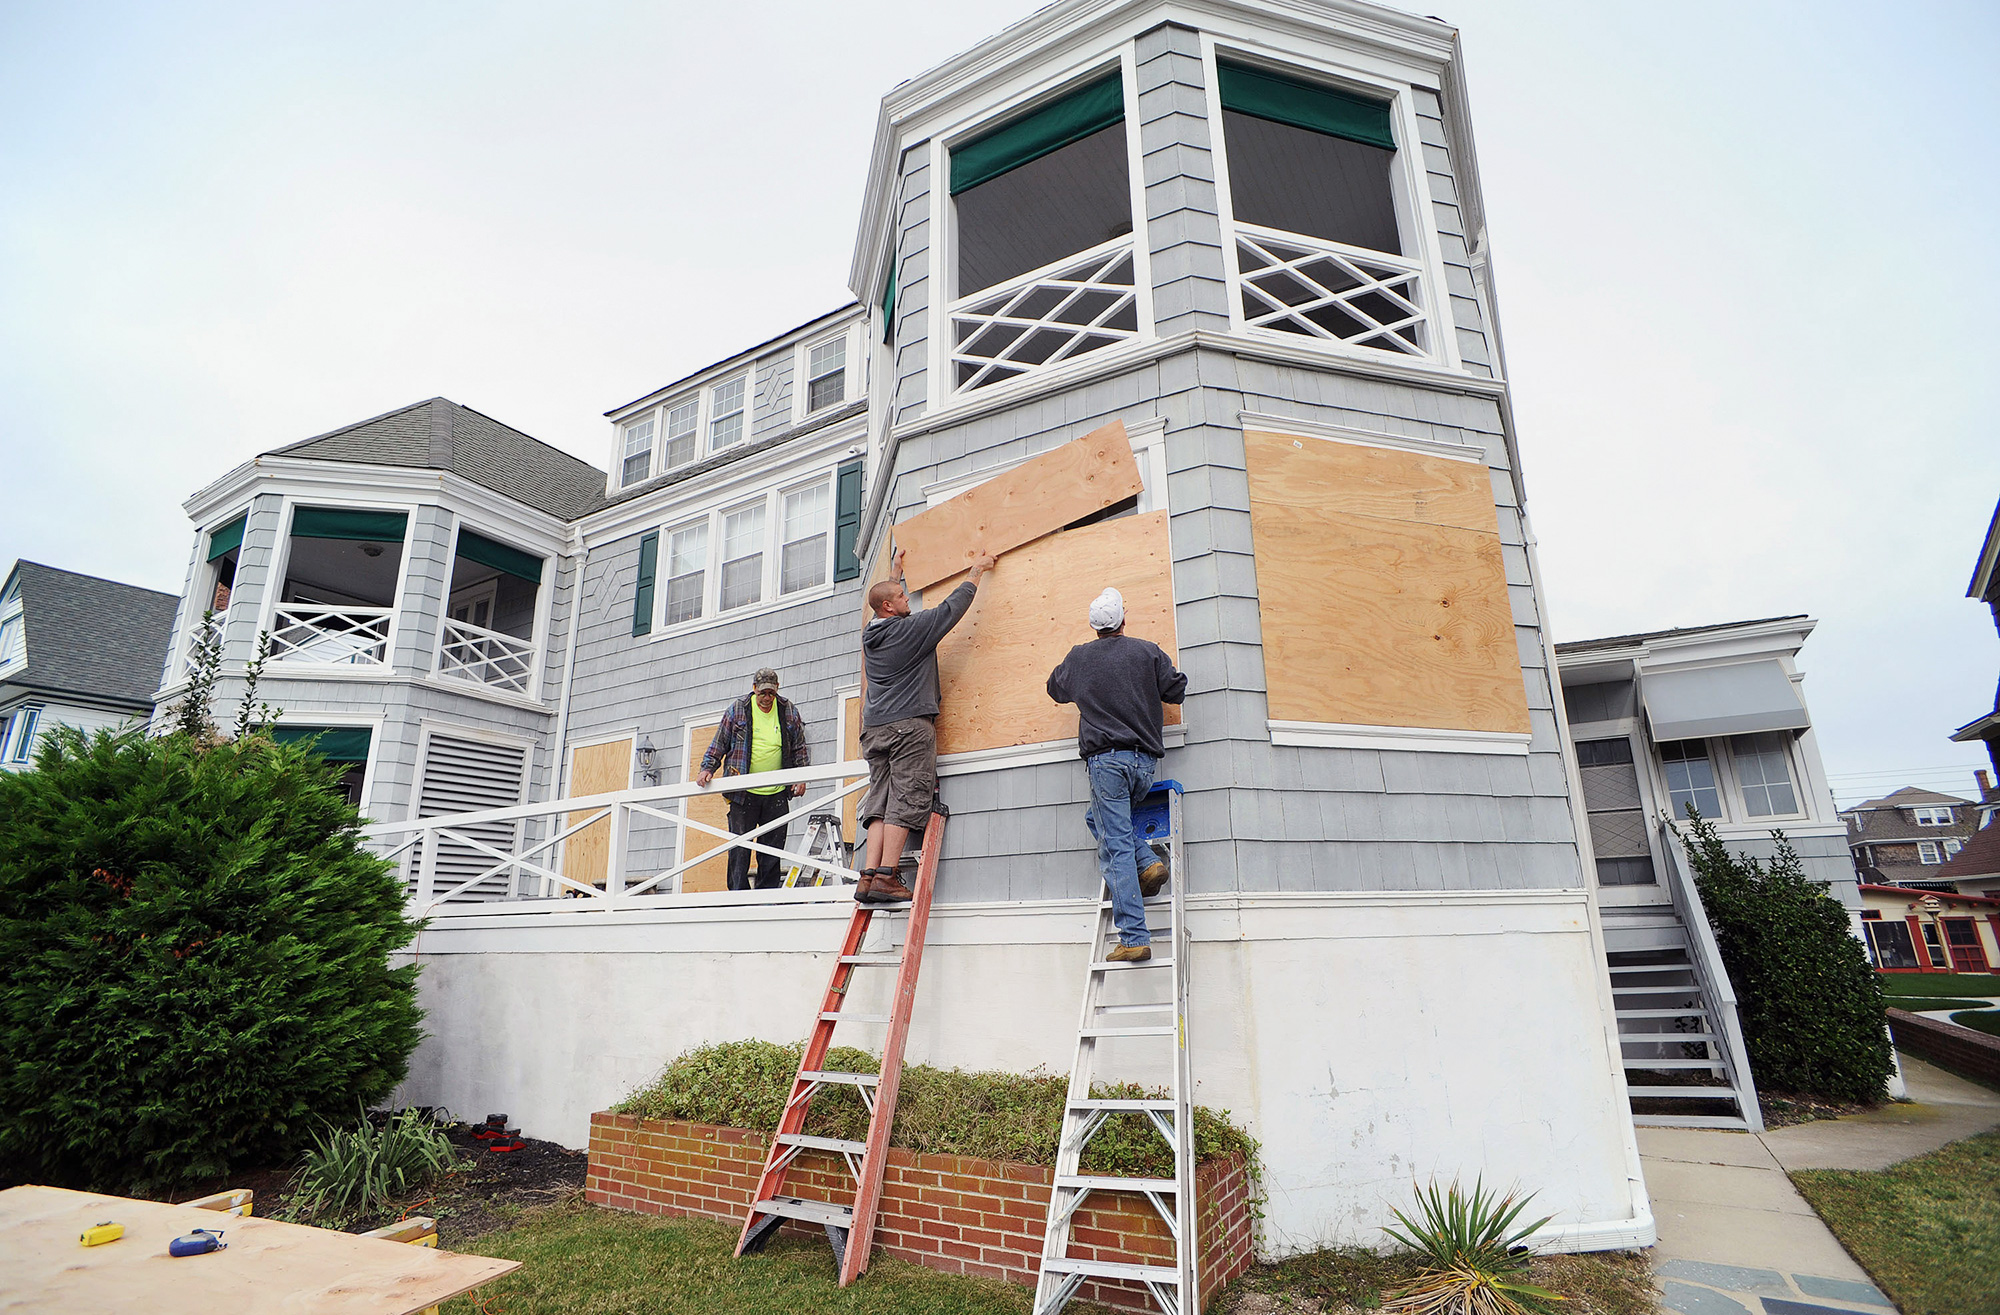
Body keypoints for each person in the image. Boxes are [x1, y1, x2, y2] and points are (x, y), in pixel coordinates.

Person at [1046, 587, 1188, 962]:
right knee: (1100, 821)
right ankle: (1148, 862)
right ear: (1124, 619)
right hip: (1143, 764)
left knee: (1116, 846)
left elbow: (1055, 689)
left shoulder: (1079, 658)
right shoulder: (1147, 651)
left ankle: (1134, 937)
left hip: (1106, 762)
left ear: (1094, 627)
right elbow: (1177, 691)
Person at [856, 546, 996, 903]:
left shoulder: (872, 634)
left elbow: (886, 597)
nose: (908, 600)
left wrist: (895, 572)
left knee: (879, 801)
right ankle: (888, 877)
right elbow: (951, 609)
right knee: (905, 798)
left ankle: (868, 875)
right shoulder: (911, 631)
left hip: (874, 729)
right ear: (890, 607)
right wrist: (976, 570)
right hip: (907, 728)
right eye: (903, 596)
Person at [697, 667, 810, 891]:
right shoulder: (738, 709)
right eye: (762, 693)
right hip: (743, 793)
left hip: (776, 793)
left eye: (771, 693)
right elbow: (719, 742)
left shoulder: (788, 710)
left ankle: (766, 898)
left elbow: (799, 747)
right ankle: (738, 898)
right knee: (740, 849)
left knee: (772, 850)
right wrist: (707, 768)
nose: (767, 698)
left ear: (777, 690)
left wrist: (802, 776)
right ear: (754, 689)